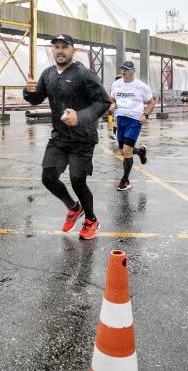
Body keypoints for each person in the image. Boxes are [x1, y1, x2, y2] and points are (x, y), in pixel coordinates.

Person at [24, 34, 111, 240]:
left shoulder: (84, 74)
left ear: (73, 50)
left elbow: (103, 102)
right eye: (56, 47)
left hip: (83, 138)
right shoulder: (48, 74)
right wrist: (28, 92)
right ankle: (73, 207)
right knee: (48, 177)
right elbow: (36, 99)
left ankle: (91, 219)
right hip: (59, 137)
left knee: (77, 181)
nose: (60, 50)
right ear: (52, 50)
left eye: (65, 47)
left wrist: (80, 117)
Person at [109, 61, 155, 191]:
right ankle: (140, 151)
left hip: (134, 120)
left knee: (127, 150)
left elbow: (151, 103)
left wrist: (145, 115)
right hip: (120, 120)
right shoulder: (116, 84)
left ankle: (125, 181)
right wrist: (112, 105)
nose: (123, 71)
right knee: (123, 148)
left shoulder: (141, 86)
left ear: (133, 71)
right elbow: (112, 99)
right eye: (122, 69)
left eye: (127, 69)